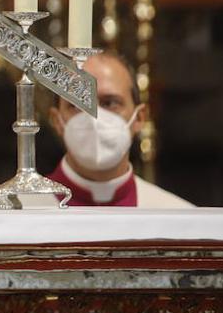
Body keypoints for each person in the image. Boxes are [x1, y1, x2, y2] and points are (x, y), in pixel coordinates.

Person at [46, 51, 191, 207]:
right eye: (77, 104)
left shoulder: (177, 218)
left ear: (139, 118)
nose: (94, 119)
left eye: (110, 103)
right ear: (57, 121)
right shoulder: (20, 213)